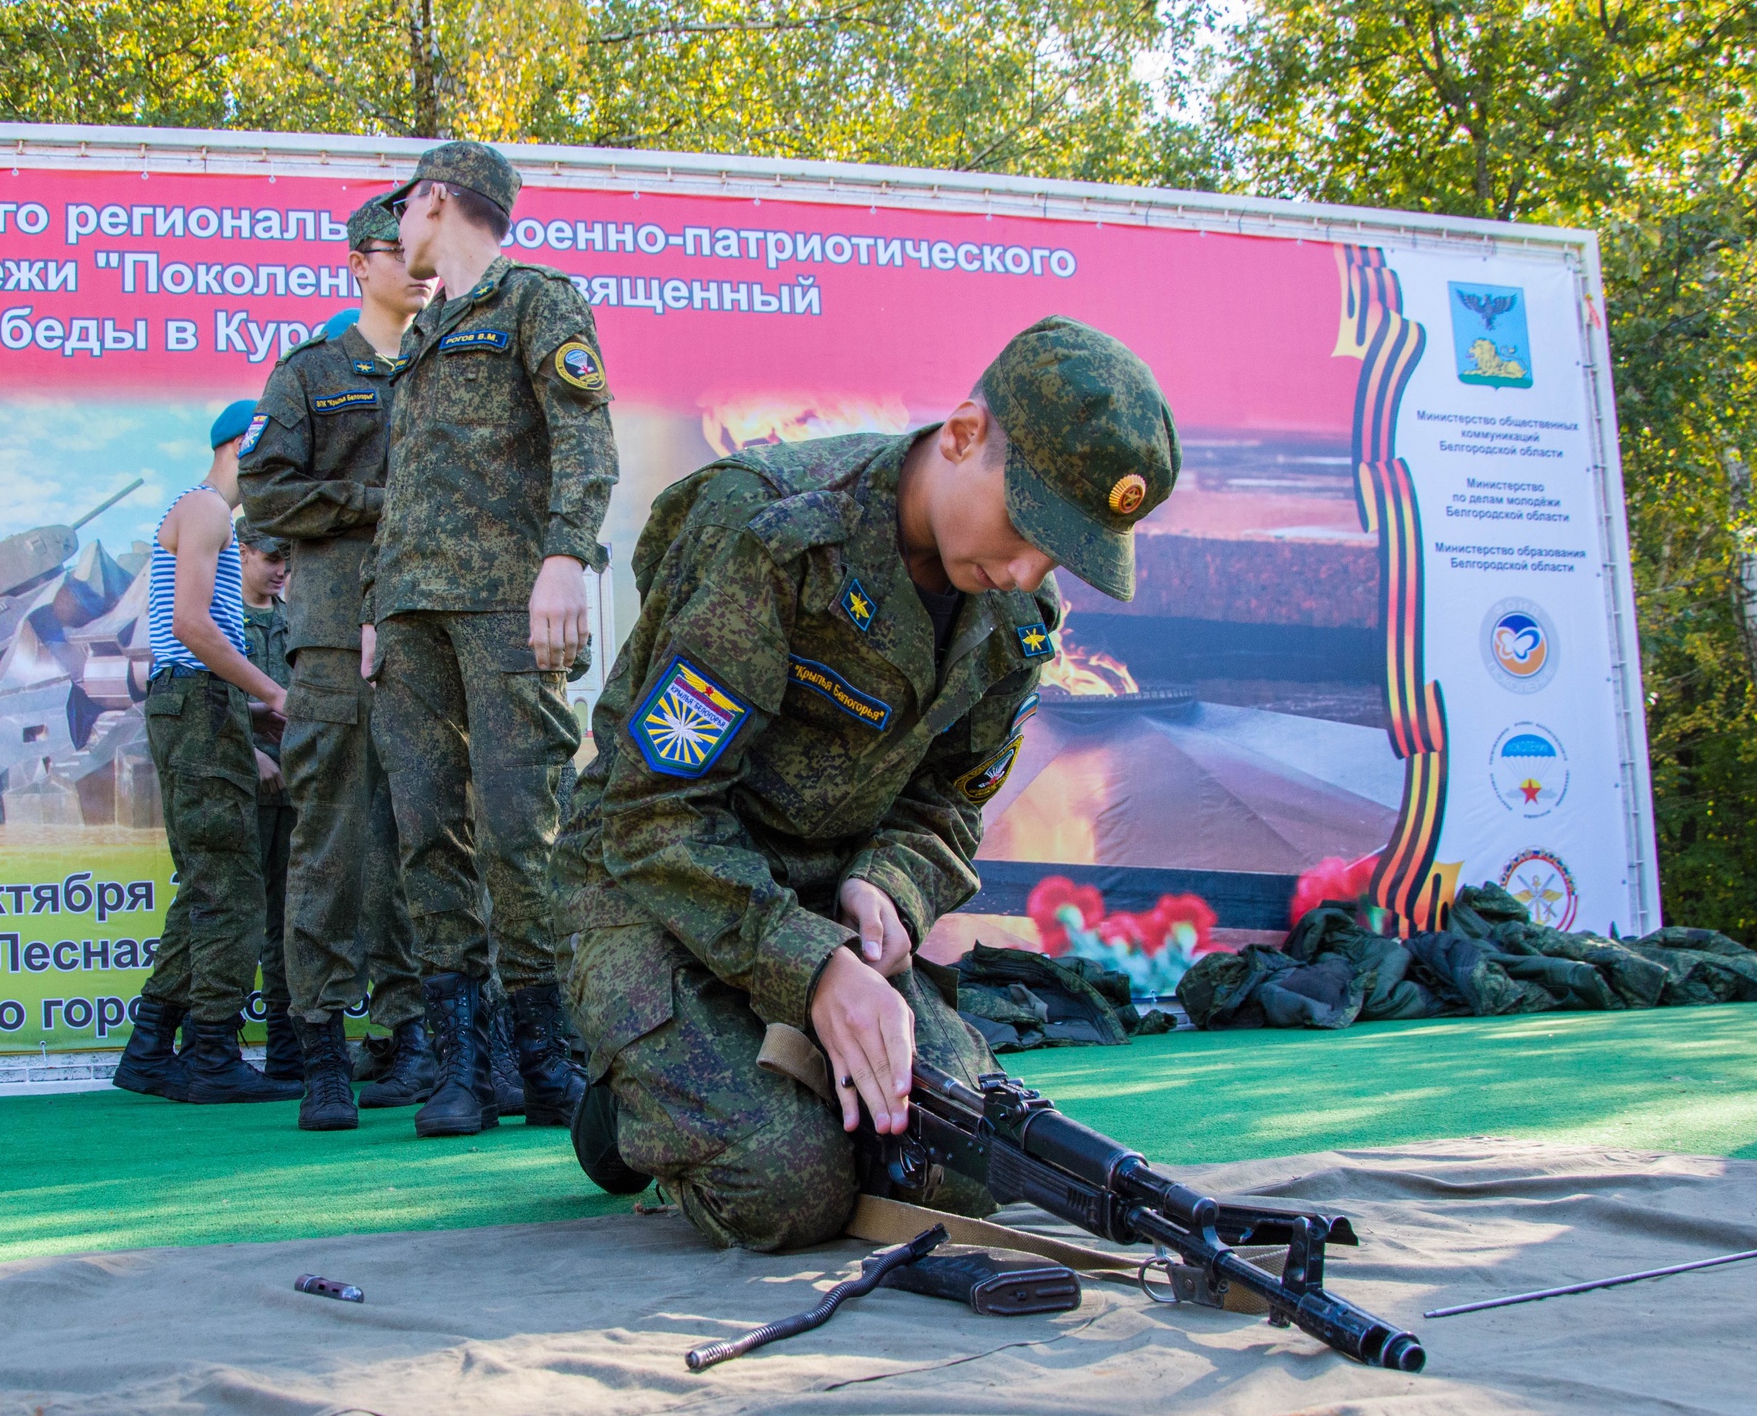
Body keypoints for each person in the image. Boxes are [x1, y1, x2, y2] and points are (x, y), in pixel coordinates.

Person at [552, 317, 1180, 1250]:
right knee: (785, 1190)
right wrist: (810, 969)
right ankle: (620, 1108)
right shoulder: (769, 529)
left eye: (1062, 555)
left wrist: (886, 885)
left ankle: (735, 1059)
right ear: (964, 435)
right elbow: (651, 815)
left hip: (831, 907)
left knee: (959, 1166)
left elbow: (946, 803)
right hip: (660, 889)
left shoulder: (1016, 613)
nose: (1026, 571)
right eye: (1028, 528)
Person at [367, 141, 617, 1139]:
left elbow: (585, 434)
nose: (396, 233)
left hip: (510, 605)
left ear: (437, 201)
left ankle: (545, 1057)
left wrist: (566, 557)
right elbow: (406, 491)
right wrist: (371, 611)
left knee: (525, 832)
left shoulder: (536, 300)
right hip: (411, 619)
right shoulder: (422, 335)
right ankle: (463, 1069)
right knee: (429, 835)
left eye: (405, 212)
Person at [240, 197, 439, 1133]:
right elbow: (267, 489)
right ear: (358, 264)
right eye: (397, 251)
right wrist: (374, 500)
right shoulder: (313, 374)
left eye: (423, 250)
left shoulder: (454, 363)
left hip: (432, 639)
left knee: (425, 842)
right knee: (328, 846)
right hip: (329, 642)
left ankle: (411, 1037)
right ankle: (319, 1044)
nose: (417, 265)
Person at [113, 400, 299, 1105]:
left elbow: (185, 633)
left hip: (202, 702)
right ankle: (213, 1056)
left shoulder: (204, 515)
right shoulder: (209, 512)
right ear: (242, 447)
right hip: (196, 701)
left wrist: (247, 703)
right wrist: (274, 695)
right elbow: (191, 627)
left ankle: (151, 1049)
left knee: (206, 884)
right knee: (231, 887)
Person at [236, 518, 300, 1085]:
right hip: (244, 787)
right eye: (271, 557)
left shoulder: (290, 618)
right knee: (237, 916)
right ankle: (211, 1044)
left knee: (288, 920)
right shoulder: (220, 620)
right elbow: (212, 700)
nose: (281, 568)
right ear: (244, 550)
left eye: (288, 558)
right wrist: (250, 756)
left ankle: (286, 1050)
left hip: (296, 791)